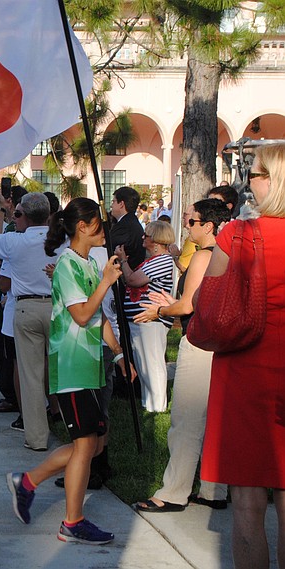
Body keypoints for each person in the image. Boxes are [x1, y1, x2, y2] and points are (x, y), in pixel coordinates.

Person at [7, 197, 129, 545]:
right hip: (72, 365)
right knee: (85, 443)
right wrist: (106, 281)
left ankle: (28, 483)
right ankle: (71, 521)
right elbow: (80, 315)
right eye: (99, 224)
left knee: (91, 444)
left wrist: (118, 354)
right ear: (83, 227)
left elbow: (98, 315)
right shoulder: (68, 265)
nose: (104, 230)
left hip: (90, 364)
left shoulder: (88, 264)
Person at [200, 143, 285, 569]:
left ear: (275, 180)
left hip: (244, 374)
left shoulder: (235, 235)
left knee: (248, 505)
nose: (247, 182)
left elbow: (206, 302)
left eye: (254, 174)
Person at [133, 198, 231, 513]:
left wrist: (160, 309)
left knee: (185, 420)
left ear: (208, 226)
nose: (186, 225)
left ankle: (174, 492)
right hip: (219, 344)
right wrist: (171, 301)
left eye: (192, 221)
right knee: (214, 419)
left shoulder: (204, 256)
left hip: (200, 342)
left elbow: (189, 306)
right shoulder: (226, 253)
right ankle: (215, 490)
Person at [0, 193, 60, 451]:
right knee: (58, 368)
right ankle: (63, 417)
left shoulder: (14, 241)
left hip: (27, 307)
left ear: (26, 217)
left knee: (30, 374)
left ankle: (37, 436)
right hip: (57, 305)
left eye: (18, 214)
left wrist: (1, 211)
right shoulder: (60, 240)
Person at [115, 220, 174, 413]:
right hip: (141, 319)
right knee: (143, 363)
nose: (143, 237)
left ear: (156, 241)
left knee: (152, 362)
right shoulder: (152, 260)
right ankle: (149, 402)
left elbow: (132, 279)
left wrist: (123, 260)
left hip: (151, 319)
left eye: (146, 235)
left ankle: (157, 405)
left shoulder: (163, 260)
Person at [109, 186, 145, 269]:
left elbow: (108, 247)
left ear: (121, 204)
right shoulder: (130, 222)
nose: (111, 206)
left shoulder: (125, 227)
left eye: (113, 202)